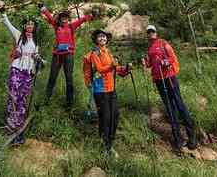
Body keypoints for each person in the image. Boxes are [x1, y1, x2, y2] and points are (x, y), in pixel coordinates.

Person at [142, 24, 197, 152]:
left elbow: (172, 58)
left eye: (152, 31)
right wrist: (146, 62)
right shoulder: (149, 48)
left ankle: (192, 134)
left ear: (156, 32)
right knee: (169, 108)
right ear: (147, 34)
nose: (151, 34)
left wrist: (165, 62)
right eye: (148, 32)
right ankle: (178, 139)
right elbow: (150, 64)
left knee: (179, 104)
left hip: (169, 77)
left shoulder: (163, 43)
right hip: (159, 80)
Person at [83, 29, 132, 157]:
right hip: (100, 90)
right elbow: (100, 68)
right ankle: (105, 147)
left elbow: (116, 69)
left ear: (107, 39)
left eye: (104, 37)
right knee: (105, 118)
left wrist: (126, 69)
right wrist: (112, 65)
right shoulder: (94, 54)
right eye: (100, 37)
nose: (102, 38)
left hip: (111, 90)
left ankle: (109, 143)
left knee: (114, 116)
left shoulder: (108, 53)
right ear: (96, 40)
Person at [0, 7, 43, 146]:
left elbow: (36, 55)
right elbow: (8, 24)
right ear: (24, 26)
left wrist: (39, 61)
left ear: (34, 27)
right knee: (13, 96)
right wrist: (3, 13)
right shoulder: (19, 35)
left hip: (28, 71)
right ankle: (9, 128)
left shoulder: (36, 40)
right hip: (17, 69)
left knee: (23, 99)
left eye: (32, 24)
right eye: (28, 24)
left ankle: (18, 131)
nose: (30, 26)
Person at [39, 5, 95, 107]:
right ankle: (45, 100)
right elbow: (50, 18)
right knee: (52, 77)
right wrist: (44, 9)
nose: (64, 18)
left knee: (69, 78)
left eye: (65, 17)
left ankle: (69, 103)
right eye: (62, 17)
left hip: (68, 55)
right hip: (57, 55)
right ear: (60, 18)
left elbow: (82, 20)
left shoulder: (71, 26)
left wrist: (91, 15)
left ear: (68, 18)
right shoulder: (57, 26)